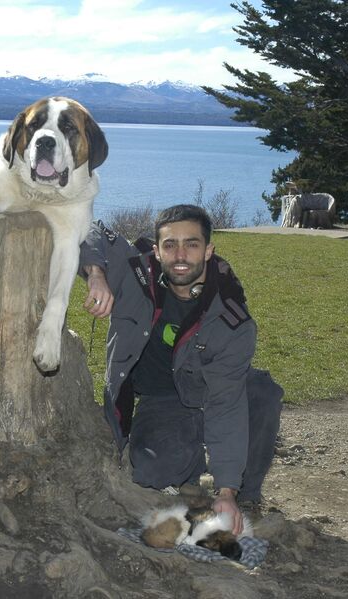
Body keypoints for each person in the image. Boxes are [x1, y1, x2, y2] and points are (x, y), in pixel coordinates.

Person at [79, 204, 283, 535]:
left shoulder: (230, 316)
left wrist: (226, 490)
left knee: (262, 393)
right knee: (150, 470)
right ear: (157, 251)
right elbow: (91, 230)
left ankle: (243, 498)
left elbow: (226, 401)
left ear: (209, 250)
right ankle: (192, 469)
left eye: (192, 244)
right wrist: (96, 274)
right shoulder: (136, 274)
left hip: (210, 389)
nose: (180, 255)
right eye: (170, 245)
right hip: (161, 399)